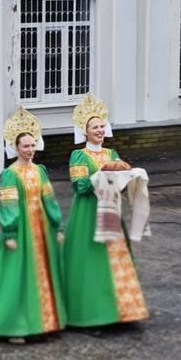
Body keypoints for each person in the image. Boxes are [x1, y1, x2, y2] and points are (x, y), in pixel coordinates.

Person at [0, 108, 66, 342]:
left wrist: (57, 225)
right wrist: (10, 233)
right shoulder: (10, 174)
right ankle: (13, 326)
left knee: (42, 273)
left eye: (33, 145)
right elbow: (9, 205)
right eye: (25, 146)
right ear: (15, 147)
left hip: (42, 228)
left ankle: (42, 322)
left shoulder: (40, 170)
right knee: (18, 276)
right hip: (22, 229)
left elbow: (49, 199)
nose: (30, 150)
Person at [63, 93, 148, 326]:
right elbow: (79, 187)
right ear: (85, 131)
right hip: (88, 212)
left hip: (111, 210)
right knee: (92, 259)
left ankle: (120, 311)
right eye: (94, 127)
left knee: (115, 257)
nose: (99, 130)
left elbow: (120, 184)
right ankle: (91, 314)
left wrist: (131, 178)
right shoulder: (78, 155)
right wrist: (100, 175)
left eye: (102, 126)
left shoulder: (112, 154)